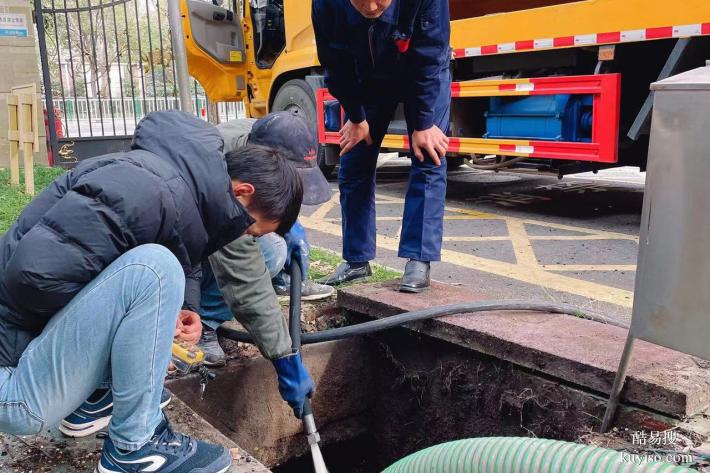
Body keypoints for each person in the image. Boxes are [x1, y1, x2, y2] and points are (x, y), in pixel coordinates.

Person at [0, 110, 303, 473]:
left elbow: (179, 248)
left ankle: (93, 399)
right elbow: (32, 278)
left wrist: (184, 307)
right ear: (242, 192)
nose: (245, 237)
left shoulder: (171, 186)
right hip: (13, 388)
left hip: (16, 352)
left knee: (158, 267)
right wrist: (120, 345)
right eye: (251, 230)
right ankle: (133, 448)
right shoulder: (149, 194)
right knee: (153, 269)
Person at [313, 0, 451, 293]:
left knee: (428, 156)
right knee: (353, 160)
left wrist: (424, 123)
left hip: (422, 75)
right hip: (367, 80)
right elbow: (333, 62)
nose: (372, 6)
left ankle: (419, 259)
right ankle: (356, 260)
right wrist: (356, 115)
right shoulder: (326, 4)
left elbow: (430, 55)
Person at [196, 111, 333, 380]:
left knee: (274, 235)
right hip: (184, 252)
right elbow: (243, 274)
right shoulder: (220, 172)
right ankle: (204, 320)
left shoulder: (269, 136)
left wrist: (285, 223)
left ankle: (282, 279)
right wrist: (284, 358)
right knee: (270, 250)